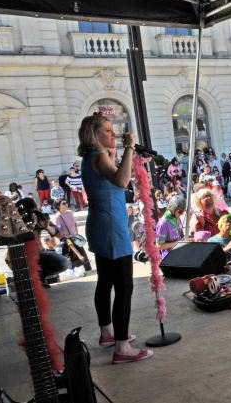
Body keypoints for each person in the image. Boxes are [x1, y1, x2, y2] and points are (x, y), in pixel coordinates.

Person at [77, 112, 151, 363]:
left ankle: (107, 332)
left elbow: (114, 171)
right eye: (107, 131)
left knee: (105, 281)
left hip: (101, 224)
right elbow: (121, 180)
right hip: (112, 229)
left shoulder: (92, 157)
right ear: (94, 135)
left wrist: (115, 151)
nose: (113, 134)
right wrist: (130, 146)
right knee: (123, 287)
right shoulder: (97, 157)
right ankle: (122, 348)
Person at [51, 199, 92, 271]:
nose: (66, 204)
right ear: (58, 206)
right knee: (71, 257)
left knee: (82, 253)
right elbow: (58, 230)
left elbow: (74, 224)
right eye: (63, 203)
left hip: (75, 237)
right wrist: (65, 237)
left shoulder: (70, 212)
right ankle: (72, 273)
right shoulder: (57, 217)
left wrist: (76, 234)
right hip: (66, 239)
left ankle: (88, 270)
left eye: (66, 203)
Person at [155, 195, 185, 259]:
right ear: (172, 208)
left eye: (183, 211)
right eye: (180, 211)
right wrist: (177, 243)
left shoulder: (177, 217)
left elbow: (181, 235)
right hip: (169, 258)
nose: (182, 214)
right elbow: (159, 246)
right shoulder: (162, 224)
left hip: (179, 254)